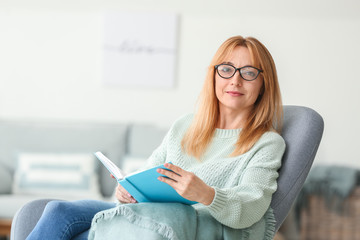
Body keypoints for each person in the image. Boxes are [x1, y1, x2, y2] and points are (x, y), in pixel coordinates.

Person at [26, 35, 285, 240]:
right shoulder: (185, 125)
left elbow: (253, 206)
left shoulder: (266, 143)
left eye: (249, 72)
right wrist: (126, 190)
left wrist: (207, 194)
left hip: (184, 224)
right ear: (214, 75)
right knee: (58, 212)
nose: (235, 81)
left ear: (264, 83)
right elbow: (149, 171)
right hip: (144, 212)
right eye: (227, 69)